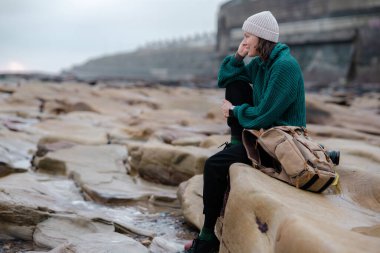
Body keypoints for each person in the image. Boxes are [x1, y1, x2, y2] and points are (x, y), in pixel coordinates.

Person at [185, 10, 338, 253]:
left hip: (279, 143)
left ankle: (207, 240)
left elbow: (266, 114)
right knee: (236, 83)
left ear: (263, 38)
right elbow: (226, 78)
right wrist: (238, 55)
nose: (244, 41)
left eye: (248, 36)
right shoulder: (260, 64)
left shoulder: (285, 67)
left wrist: (235, 111)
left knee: (214, 166)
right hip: (264, 136)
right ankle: (237, 143)